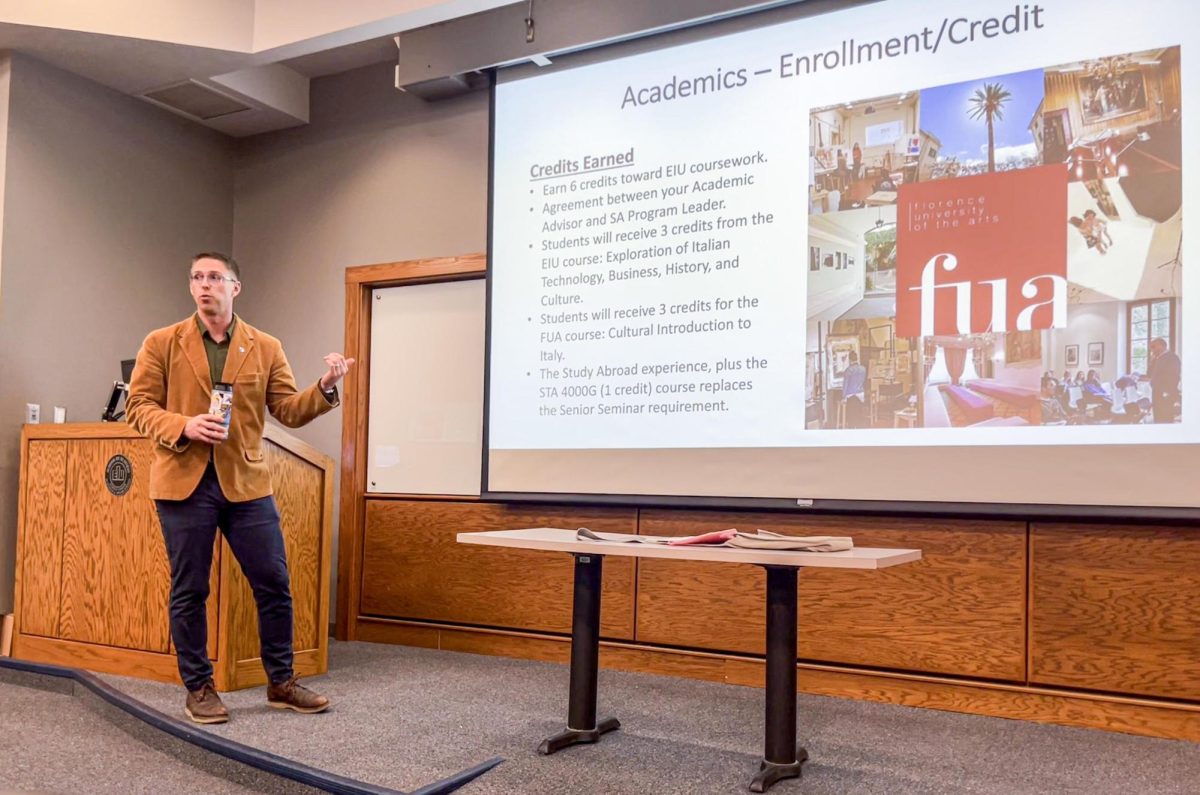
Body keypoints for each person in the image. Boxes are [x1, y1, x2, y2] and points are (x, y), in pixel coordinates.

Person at [126, 252, 354, 725]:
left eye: (214, 278)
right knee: (190, 589)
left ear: (235, 287)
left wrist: (326, 386)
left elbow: (288, 409)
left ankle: (281, 682)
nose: (204, 285)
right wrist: (183, 424)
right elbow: (139, 406)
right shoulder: (162, 342)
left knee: (274, 583)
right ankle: (199, 687)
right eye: (197, 278)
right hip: (183, 484)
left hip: (246, 483)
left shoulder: (265, 346)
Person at [1147, 337, 1181, 423]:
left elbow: (1174, 377)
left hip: (1165, 393)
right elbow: (1149, 374)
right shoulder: (1157, 358)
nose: (1151, 349)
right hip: (1156, 392)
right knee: (1157, 416)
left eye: (1153, 346)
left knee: (1165, 417)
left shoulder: (1172, 357)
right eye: (1151, 347)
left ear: (1161, 346)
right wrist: (1151, 362)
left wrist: (1167, 392)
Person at [841, 351, 868, 428]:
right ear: (857, 358)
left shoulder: (848, 370)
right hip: (860, 395)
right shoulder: (863, 369)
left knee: (851, 415)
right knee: (859, 413)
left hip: (850, 395)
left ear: (850, 360)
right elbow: (863, 381)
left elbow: (845, 385)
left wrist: (843, 397)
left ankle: (851, 429)